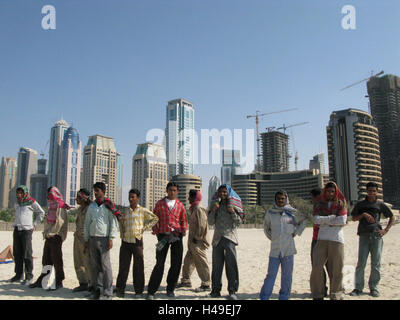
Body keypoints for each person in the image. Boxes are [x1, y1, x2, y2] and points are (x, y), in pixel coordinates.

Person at [259, 190, 308, 300]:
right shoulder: (270, 212)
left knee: (287, 276)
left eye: (282, 198)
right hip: (275, 250)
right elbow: (266, 227)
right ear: (275, 200)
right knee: (270, 276)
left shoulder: (292, 212)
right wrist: (273, 237)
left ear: (286, 199)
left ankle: (284, 297)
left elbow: (304, 220)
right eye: (278, 198)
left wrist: (296, 232)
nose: (280, 201)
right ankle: (264, 297)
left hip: (288, 250)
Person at [350, 182, 394, 298]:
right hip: (364, 236)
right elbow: (353, 218)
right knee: (361, 264)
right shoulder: (360, 204)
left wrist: (385, 230)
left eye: (374, 191)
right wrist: (363, 215)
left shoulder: (380, 204)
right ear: (366, 191)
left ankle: (374, 288)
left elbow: (391, 217)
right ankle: (358, 288)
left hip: (376, 236)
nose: (371, 193)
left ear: (377, 192)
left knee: (376, 264)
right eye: (369, 191)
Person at [146, 182, 188, 300]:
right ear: (166, 190)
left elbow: (183, 220)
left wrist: (183, 232)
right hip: (162, 237)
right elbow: (154, 218)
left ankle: (170, 289)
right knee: (159, 263)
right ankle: (151, 290)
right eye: (170, 190)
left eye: (174, 190)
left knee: (176, 263)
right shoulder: (160, 204)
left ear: (177, 191)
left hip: (177, 237)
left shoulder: (180, 205)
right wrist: (156, 230)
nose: (172, 192)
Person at [115, 188, 158, 298]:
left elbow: (155, 218)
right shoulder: (125, 211)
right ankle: (120, 289)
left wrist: (144, 228)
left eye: (133, 197)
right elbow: (121, 222)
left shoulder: (142, 210)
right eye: (129, 197)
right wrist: (122, 234)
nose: (130, 199)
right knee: (123, 267)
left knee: (138, 267)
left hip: (137, 241)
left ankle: (138, 291)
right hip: (125, 242)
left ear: (138, 198)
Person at [310, 181, 347, 300]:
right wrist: (332, 218)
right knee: (317, 267)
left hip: (336, 239)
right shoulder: (319, 204)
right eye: (328, 191)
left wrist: (324, 221)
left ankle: (335, 294)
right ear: (324, 191)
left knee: (337, 268)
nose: (330, 193)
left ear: (335, 192)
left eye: (332, 191)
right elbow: (316, 220)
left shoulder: (341, 203)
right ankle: (318, 294)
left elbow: (342, 220)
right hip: (321, 238)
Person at [29, 186, 70, 290]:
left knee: (57, 260)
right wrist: (47, 233)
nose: (47, 196)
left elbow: (60, 222)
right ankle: (43, 280)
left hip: (56, 236)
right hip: (49, 236)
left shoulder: (60, 206)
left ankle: (59, 281)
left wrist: (52, 233)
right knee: (46, 259)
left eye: (49, 193)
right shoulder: (52, 205)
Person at [208, 184, 243, 300]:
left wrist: (232, 212)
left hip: (230, 239)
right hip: (217, 240)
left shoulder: (233, 206)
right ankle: (215, 290)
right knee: (217, 267)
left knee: (231, 266)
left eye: (225, 192)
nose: (222, 194)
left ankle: (232, 290)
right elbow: (211, 222)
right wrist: (213, 211)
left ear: (228, 193)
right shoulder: (215, 206)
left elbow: (239, 222)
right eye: (220, 192)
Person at [84, 182, 119, 300]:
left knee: (105, 266)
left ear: (103, 192)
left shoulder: (108, 206)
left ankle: (108, 292)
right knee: (95, 266)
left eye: (98, 190)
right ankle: (97, 290)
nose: (95, 193)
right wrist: (86, 239)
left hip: (104, 239)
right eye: (94, 190)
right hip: (92, 238)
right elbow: (87, 223)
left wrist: (111, 238)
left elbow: (113, 223)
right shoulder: (92, 206)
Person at [9, 185, 45, 285]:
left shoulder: (32, 202)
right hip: (17, 229)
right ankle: (18, 275)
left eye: (21, 193)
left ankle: (29, 276)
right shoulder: (17, 203)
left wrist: (34, 224)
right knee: (17, 253)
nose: (19, 195)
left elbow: (41, 213)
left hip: (26, 230)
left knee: (27, 254)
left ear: (25, 193)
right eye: (17, 193)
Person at [177, 189, 211, 292]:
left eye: (190, 197)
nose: (188, 199)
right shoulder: (194, 208)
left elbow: (202, 225)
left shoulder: (199, 209)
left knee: (201, 262)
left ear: (195, 198)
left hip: (198, 242)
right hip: (193, 242)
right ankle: (186, 281)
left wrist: (197, 238)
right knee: (188, 261)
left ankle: (206, 284)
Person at [72, 189, 93, 293]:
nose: (76, 199)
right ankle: (83, 283)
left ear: (84, 199)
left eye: (78, 197)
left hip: (86, 239)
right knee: (78, 261)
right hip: (77, 238)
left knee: (87, 262)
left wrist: (88, 241)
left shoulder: (90, 209)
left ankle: (91, 284)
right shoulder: (80, 209)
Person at [310, 188, 328, 297]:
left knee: (318, 266)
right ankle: (324, 289)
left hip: (319, 239)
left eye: (312, 197)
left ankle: (322, 290)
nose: (311, 199)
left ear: (316, 197)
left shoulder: (321, 206)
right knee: (323, 267)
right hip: (318, 238)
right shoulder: (318, 206)